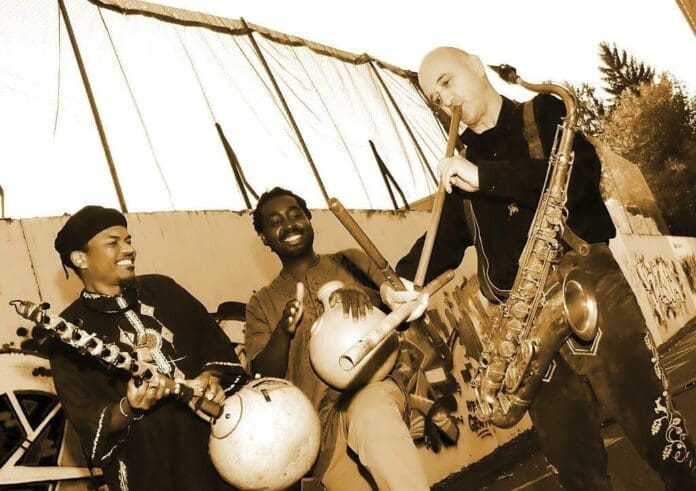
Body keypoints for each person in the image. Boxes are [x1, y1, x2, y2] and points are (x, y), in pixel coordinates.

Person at [386, 47, 696, 490]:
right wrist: (405, 282)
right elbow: (445, 240)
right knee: (575, 468)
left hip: (589, 285)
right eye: (434, 98)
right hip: (524, 324)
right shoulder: (460, 171)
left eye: (447, 82)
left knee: (656, 431)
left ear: (475, 65)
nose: (444, 100)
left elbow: (581, 177)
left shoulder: (542, 113)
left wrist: (485, 178)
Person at [49, 205, 246, 491]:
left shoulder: (165, 290)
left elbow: (213, 344)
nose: (128, 249)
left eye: (128, 240)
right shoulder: (66, 336)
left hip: (217, 449)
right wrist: (129, 406)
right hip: (149, 467)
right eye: (113, 242)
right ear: (80, 258)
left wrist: (211, 376)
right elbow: (89, 421)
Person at [245, 187, 429, 491]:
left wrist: (370, 295)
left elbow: (395, 298)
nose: (289, 224)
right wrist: (283, 331)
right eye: (275, 221)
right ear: (264, 237)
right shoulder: (262, 303)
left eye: (295, 215)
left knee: (372, 417)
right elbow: (263, 376)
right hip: (321, 429)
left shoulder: (351, 261)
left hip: (373, 389)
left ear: (309, 219)